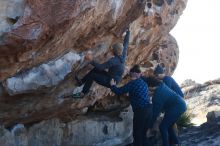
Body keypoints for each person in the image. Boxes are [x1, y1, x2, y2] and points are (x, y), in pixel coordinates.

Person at [72, 28, 130, 98]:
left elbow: (101, 67)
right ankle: (81, 82)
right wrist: (128, 32)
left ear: (114, 51)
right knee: (95, 70)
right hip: (112, 77)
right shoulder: (123, 54)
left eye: (112, 49)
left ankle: (83, 93)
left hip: (110, 82)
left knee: (92, 75)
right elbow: (126, 43)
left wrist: (91, 60)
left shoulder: (114, 61)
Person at [110, 65, 152, 146]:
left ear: (133, 73)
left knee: (137, 134)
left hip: (141, 111)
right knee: (143, 134)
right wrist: (131, 95)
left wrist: (112, 85)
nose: (130, 74)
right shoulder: (144, 83)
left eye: (131, 73)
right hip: (149, 109)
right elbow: (140, 94)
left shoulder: (132, 83)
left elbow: (119, 91)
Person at [146, 77, 187, 146]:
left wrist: (149, 126)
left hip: (176, 107)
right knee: (169, 126)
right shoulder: (162, 86)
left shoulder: (158, 95)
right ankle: (176, 143)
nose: (148, 89)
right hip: (181, 105)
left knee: (163, 127)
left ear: (151, 87)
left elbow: (155, 113)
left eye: (148, 87)